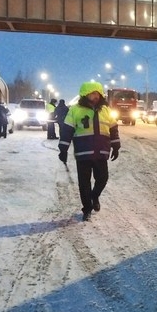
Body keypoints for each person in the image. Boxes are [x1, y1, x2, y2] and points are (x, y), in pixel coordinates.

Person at [58, 81, 120, 221]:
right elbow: (67, 130)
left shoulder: (106, 110)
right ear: (85, 95)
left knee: (103, 178)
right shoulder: (75, 110)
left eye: (97, 93)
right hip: (83, 153)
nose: (95, 96)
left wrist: (116, 146)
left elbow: (113, 128)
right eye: (92, 93)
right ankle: (87, 209)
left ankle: (94, 196)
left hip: (101, 152)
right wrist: (63, 149)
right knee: (84, 183)